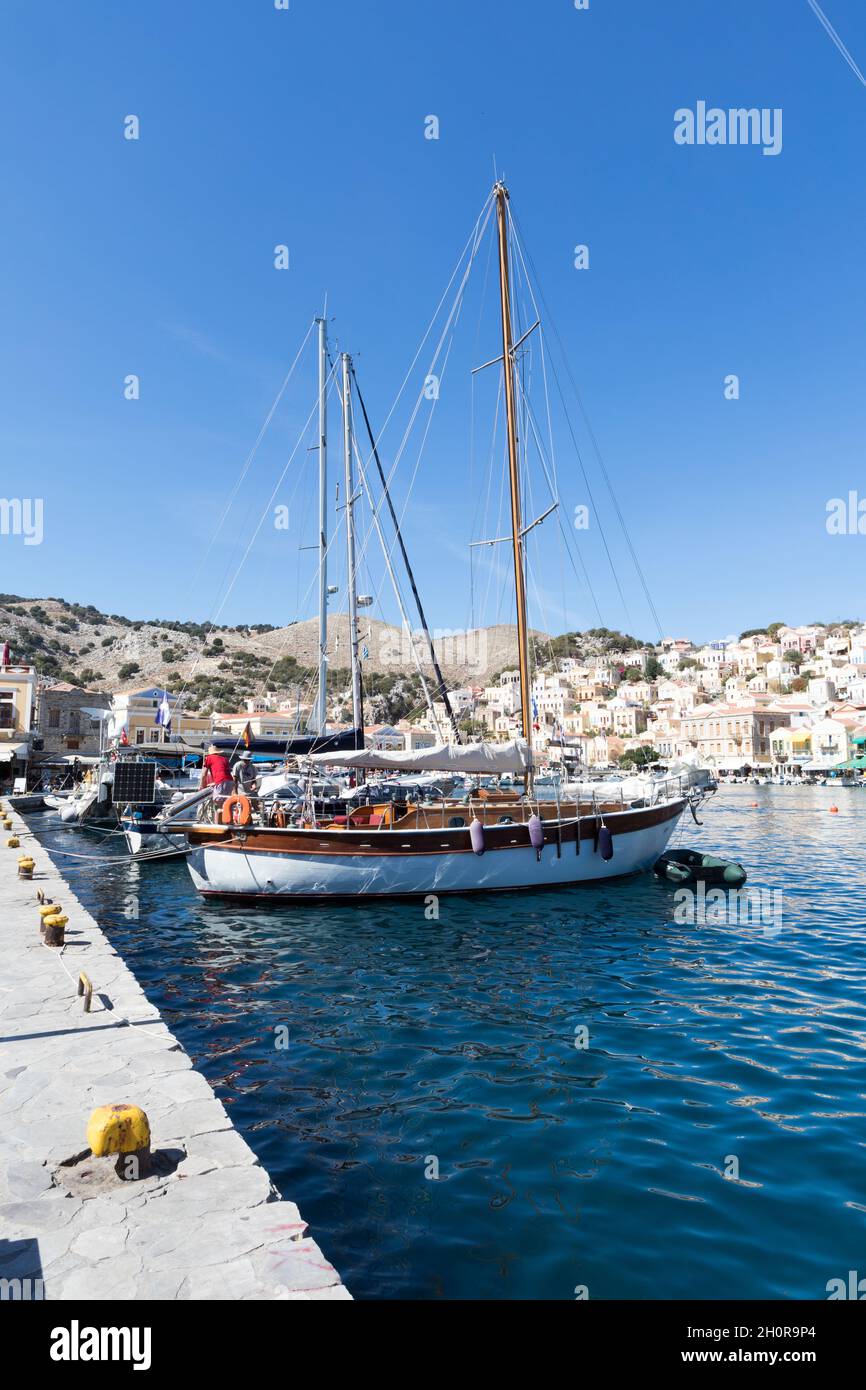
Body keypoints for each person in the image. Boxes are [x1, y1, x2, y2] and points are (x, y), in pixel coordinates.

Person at [200, 743, 233, 817]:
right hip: (230, 781)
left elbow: (203, 774)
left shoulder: (209, 758)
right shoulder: (224, 759)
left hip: (221, 781)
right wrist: (215, 783)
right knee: (226, 802)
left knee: (217, 802)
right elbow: (225, 772)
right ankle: (228, 820)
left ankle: (218, 823)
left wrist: (203, 786)